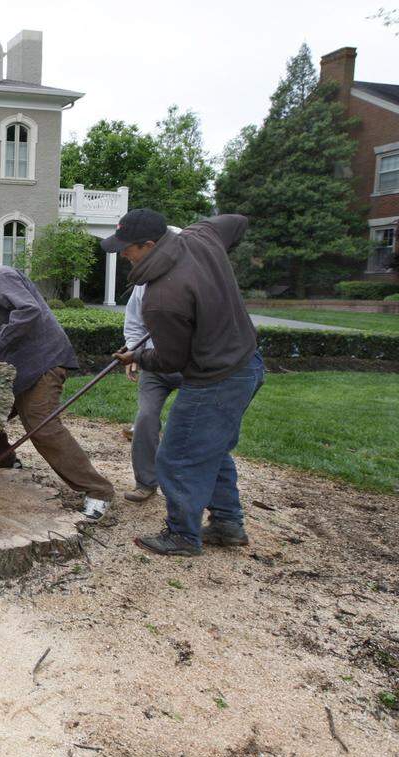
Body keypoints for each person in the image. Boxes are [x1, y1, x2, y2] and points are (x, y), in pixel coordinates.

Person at [107, 209, 264, 557]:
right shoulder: (203, 236)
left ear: (149, 245)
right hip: (247, 362)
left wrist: (135, 357)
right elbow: (238, 221)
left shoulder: (163, 297)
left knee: (177, 456)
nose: (122, 254)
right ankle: (226, 524)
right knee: (211, 447)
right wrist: (217, 268)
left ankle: (182, 535)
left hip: (215, 378)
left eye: (127, 248)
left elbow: (170, 362)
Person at [0, 246, 116, 519]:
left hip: (43, 363)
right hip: (19, 369)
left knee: (42, 426)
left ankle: (98, 491)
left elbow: (29, 310)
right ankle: (2, 460)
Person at [121, 232, 185, 503]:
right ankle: (145, 482)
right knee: (146, 419)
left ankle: (185, 487)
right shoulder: (143, 284)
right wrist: (135, 353)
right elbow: (134, 321)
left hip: (189, 366)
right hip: (154, 364)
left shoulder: (189, 279)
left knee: (186, 425)